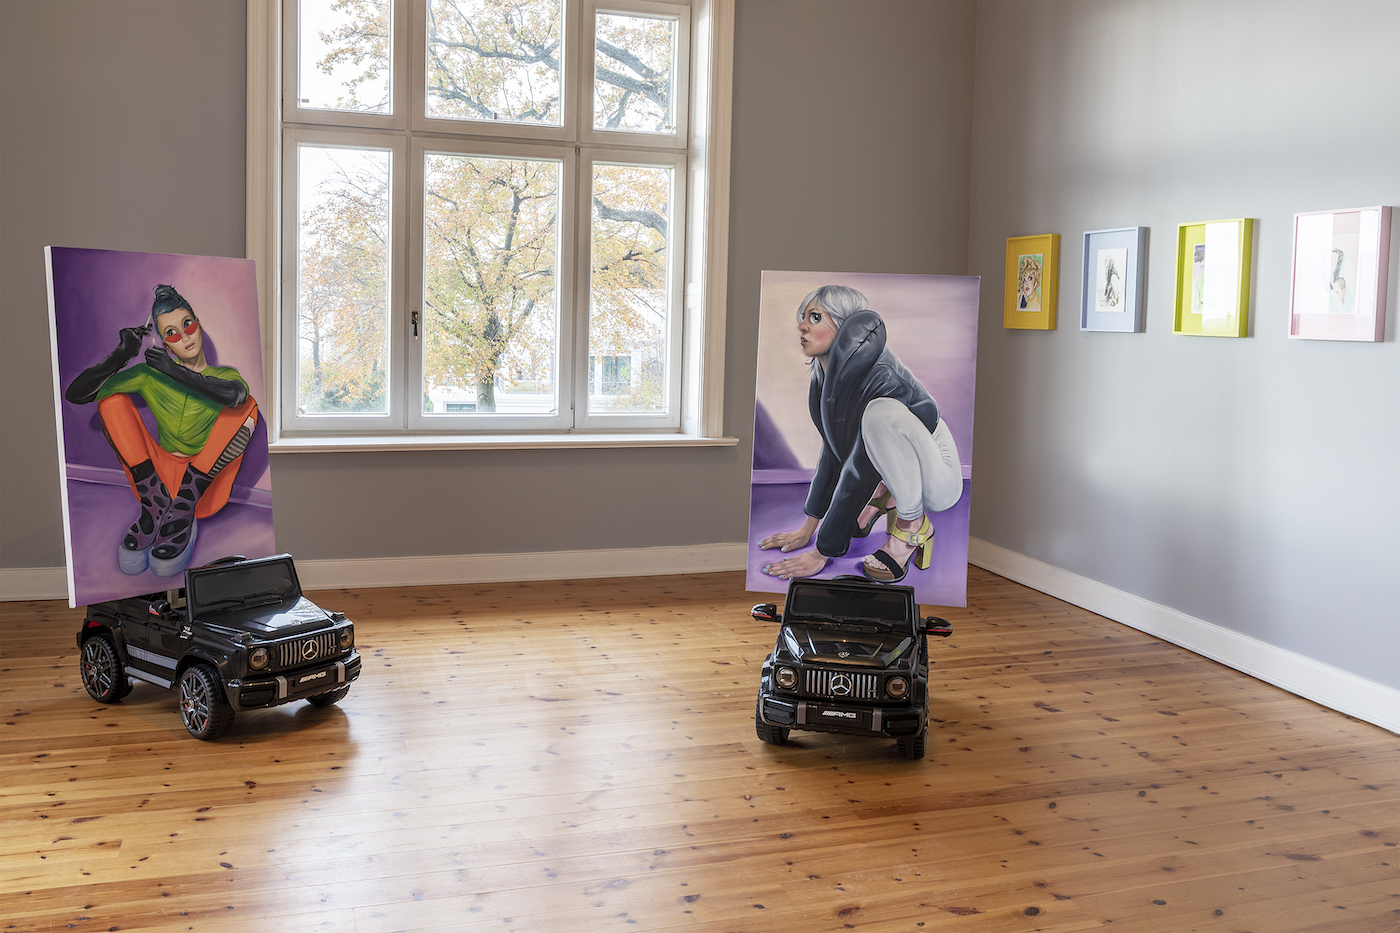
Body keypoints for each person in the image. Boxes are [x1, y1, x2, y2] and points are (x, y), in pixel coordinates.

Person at [759, 285, 963, 583]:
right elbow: (833, 452)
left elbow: (859, 468)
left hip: (937, 480)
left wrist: (821, 552)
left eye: (815, 317)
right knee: (871, 426)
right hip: (901, 467)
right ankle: (886, 495)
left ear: (845, 327)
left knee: (880, 413)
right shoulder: (823, 380)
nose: (801, 325)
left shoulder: (881, 376)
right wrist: (808, 528)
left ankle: (912, 524)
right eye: (802, 316)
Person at [66, 284, 259, 577]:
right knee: (111, 401)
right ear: (165, 345)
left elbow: (235, 396)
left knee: (246, 406)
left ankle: (182, 510)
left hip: (203, 487)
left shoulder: (224, 376)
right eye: (172, 333)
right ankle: (156, 508)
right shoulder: (149, 376)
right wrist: (120, 355)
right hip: (155, 482)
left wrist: (175, 371)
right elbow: (77, 394)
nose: (185, 336)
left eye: (187, 325)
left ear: (199, 325)